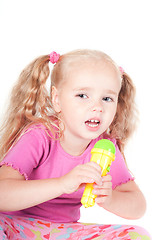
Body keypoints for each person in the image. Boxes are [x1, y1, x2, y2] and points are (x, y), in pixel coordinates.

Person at [0, 49, 151, 239]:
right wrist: (62, 184)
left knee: (138, 235)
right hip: (14, 225)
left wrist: (110, 199)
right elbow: (2, 193)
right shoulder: (39, 136)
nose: (97, 107)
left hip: (64, 231)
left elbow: (138, 205)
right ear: (57, 99)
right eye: (82, 95)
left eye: (107, 98)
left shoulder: (104, 146)